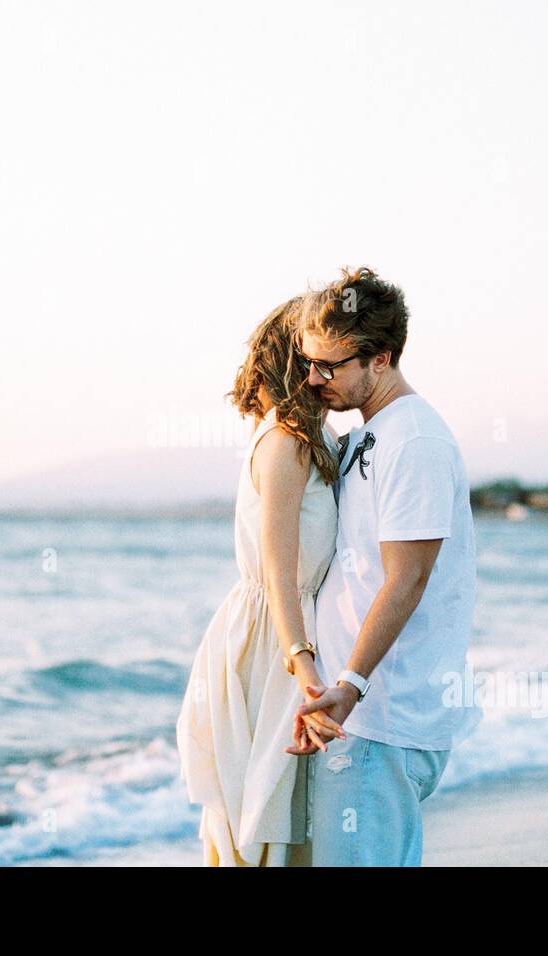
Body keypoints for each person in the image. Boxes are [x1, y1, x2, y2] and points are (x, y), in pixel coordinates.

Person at [286, 266, 482, 866]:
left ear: (383, 358)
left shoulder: (413, 439)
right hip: (363, 718)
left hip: (382, 718)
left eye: (330, 365)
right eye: (308, 362)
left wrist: (351, 686)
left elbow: (408, 578)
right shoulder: (373, 433)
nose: (315, 378)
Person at [175, 296, 344, 866]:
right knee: (268, 810)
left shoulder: (294, 435)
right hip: (274, 638)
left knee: (275, 809)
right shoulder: (288, 440)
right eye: (320, 355)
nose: (332, 366)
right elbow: (278, 567)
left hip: (275, 629)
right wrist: (305, 665)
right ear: (297, 360)